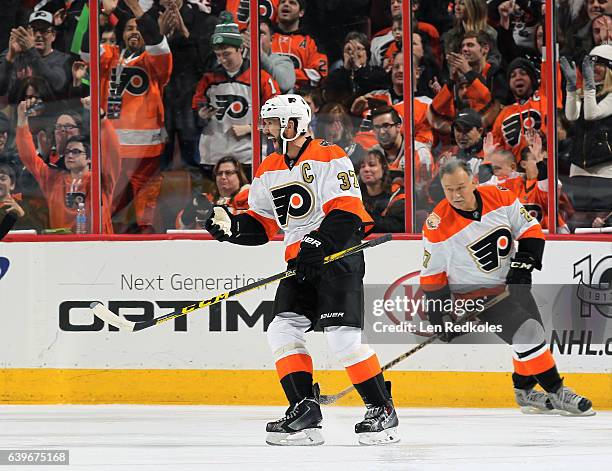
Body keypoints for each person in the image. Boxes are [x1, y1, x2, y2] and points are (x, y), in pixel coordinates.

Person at [204, 94, 399, 446]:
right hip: (301, 263)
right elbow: (261, 226)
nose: (266, 127)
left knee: (342, 337)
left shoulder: (329, 155)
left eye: (273, 121)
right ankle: (305, 410)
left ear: (294, 123)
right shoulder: (268, 168)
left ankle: (381, 409)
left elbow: (347, 211)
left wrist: (319, 243)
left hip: (338, 256)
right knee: (282, 329)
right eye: (266, 121)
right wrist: (231, 228)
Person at [420, 158, 595, 416]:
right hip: (476, 295)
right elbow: (432, 275)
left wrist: (523, 265)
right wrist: (439, 314)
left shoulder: (499, 196)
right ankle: (557, 392)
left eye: (461, 187)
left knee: (531, 338)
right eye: (449, 189)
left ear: (474, 182)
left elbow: (530, 229)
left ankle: (524, 390)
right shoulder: (437, 226)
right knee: (528, 334)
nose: (456, 195)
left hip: (511, 284)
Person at [100, 0, 172, 233]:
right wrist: (92, 10)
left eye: (138, 28)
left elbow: (155, 39)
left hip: (146, 153)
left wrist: (138, 13)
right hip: (112, 150)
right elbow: (84, 48)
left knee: (147, 216)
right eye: (129, 28)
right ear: (121, 33)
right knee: (105, 211)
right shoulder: (110, 56)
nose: (135, 31)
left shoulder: (155, 61)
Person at [193, 12, 279, 179]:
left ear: (240, 49)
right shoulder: (208, 80)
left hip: (249, 158)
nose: (222, 60)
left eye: (227, 54)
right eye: (218, 55)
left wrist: (250, 128)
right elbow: (195, 111)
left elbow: (277, 121)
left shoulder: (261, 79)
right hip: (213, 158)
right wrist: (201, 115)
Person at [16, 98, 121, 233]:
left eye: (76, 152)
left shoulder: (101, 180)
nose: (70, 155)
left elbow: (113, 153)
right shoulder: (52, 179)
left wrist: (101, 117)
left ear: (89, 158)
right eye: (68, 152)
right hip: (61, 246)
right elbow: (29, 157)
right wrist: (21, 120)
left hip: (97, 245)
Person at [560, 45, 612, 214]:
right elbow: (571, 115)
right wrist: (571, 88)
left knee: (599, 217)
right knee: (577, 216)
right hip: (578, 167)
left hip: (604, 169)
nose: (592, 68)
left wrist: (588, 86)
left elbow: (591, 114)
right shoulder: (587, 93)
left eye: (599, 64)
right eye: (590, 64)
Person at [0, 10, 71, 104]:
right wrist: (10, 56)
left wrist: (31, 50)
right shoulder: (16, 57)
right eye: (34, 30)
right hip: (18, 115)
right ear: (28, 32)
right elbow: (2, 90)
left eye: (44, 30)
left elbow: (56, 85)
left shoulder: (63, 59)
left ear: (53, 35)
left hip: (50, 115)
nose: (38, 35)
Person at [177, 156, 250, 229]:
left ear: (239, 176)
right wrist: (190, 209)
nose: (223, 177)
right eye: (219, 173)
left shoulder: (249, 198)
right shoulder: (204, 199)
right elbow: (179, 226)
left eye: (228, 173)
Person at [271, 0, 328, 88]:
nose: (286, 4)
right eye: (282, 2)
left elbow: (320, 74)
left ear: (301, 13)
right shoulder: (265, 37)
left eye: (292, 3)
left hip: (299, 97)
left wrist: (284, 74)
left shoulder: (311, 42)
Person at [359, 148, 405, 233]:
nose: (366, 169)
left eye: (372, 165)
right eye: (362, 166)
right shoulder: (355, 197)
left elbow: (397, 227)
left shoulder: (397, 195)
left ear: (383, 168)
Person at [0, 161, 25, 239]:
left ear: (12, 185)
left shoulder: (26, 206)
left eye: (2, 179)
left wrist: (21, 214)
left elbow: (36, 231)